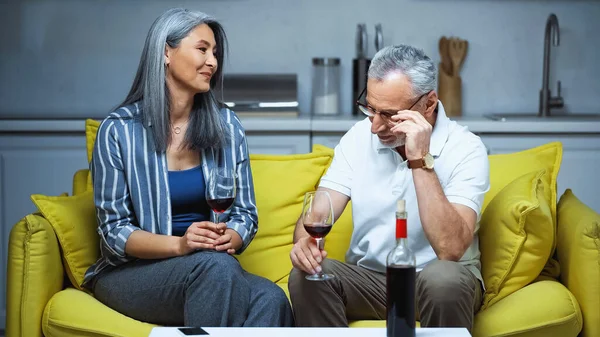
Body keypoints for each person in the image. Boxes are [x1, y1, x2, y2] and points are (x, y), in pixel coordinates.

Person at [82, 8, 293, 328]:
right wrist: (182, 245)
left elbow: (245, 214)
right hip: (133, 273)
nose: (213, 62)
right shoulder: (119, 130)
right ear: (166, 52)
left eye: (215, 53)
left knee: (272, 298)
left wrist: (229, 239)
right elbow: (114, 233)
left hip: (211, 267)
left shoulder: (227, 125)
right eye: (202, 49)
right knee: (217, 269)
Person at [288, 44, 490, 332]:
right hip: (370, 280)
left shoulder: (466, 148)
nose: (375, 127)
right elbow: (318, 211)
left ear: (429, 104)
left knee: (443, 279)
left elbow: (451, 249)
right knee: (306, 276)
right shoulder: (359, 137)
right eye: (370, 109)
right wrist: (304, 244)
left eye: (390, 115)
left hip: (438, 282)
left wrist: (419, 159)